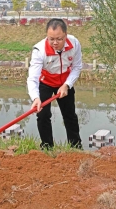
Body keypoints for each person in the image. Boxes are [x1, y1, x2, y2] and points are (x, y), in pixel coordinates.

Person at [27, 18, 83, 149]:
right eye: (51, 39)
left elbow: (77, 67)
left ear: (66, 35)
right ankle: (47, 147)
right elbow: (32, 78)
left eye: (59, 39)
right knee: (43, 115)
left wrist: (67, 84)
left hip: (65, 81)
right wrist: (35, 98)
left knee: (70, 115)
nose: (55, 43)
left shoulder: (74, 43)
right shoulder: (39, 50)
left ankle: (75, 147)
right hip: (45, 82)